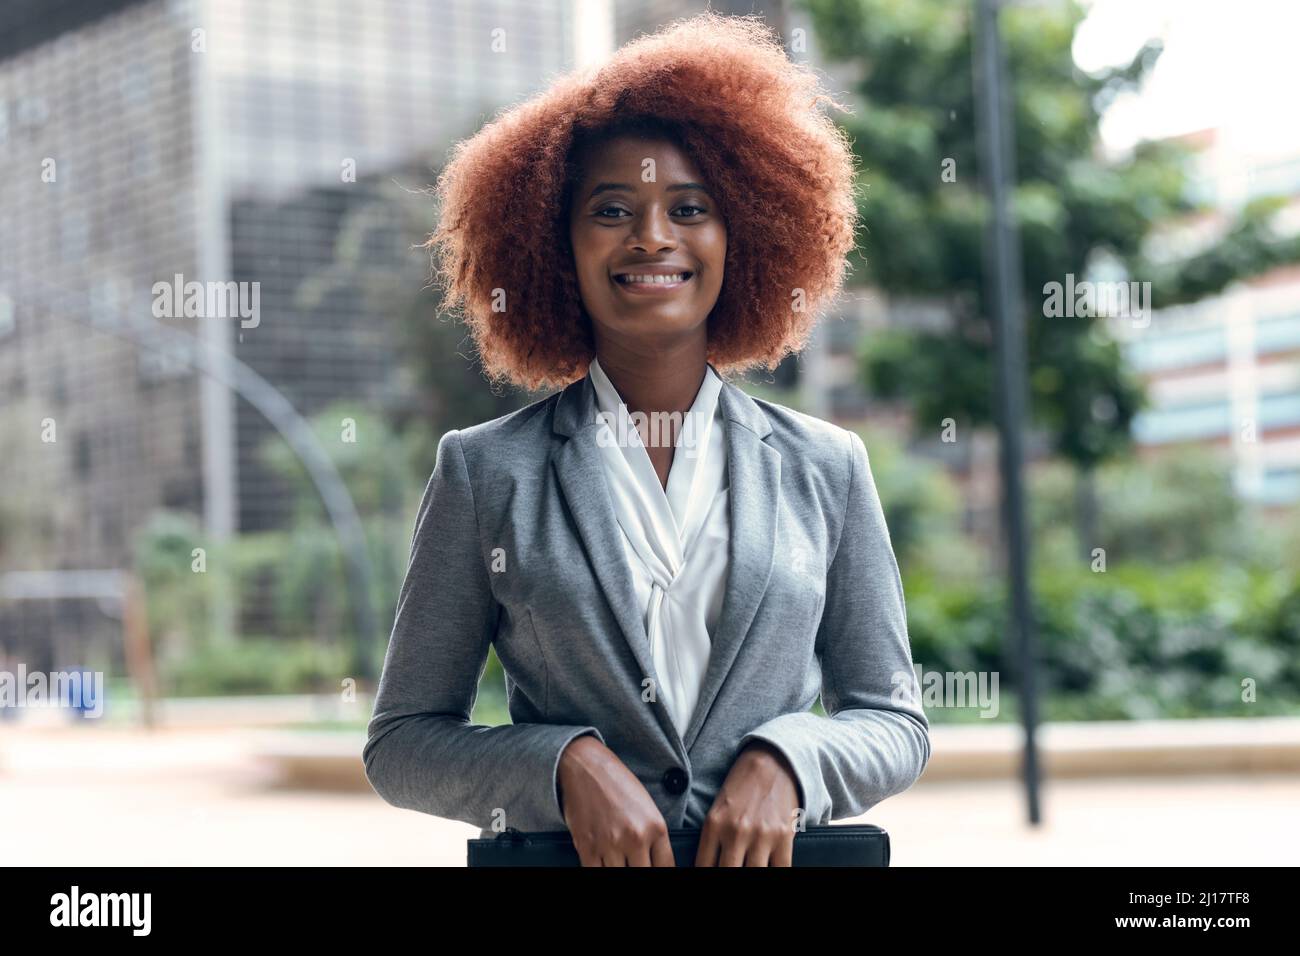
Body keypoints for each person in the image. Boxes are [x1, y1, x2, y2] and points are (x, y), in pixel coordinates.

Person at [363, 12, 930, 867]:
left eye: (690, 207)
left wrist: (794, 760)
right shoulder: (485, 473)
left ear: (744, 232)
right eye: (612, 209)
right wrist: (560, 765)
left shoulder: (827, 467)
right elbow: (402, 743)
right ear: (556, 244)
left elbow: (894, 722)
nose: (653, 237)